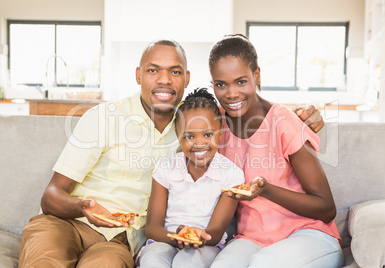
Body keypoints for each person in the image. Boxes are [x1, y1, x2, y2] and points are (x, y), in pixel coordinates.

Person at [18, 38, 325, 267]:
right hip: (68, 223)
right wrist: (83, 206)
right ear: (139, 75)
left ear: (187, 79)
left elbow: (243, 103)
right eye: (154, 70)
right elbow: (51, 197)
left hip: (119, 239)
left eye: (174, 72)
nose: (164, 80)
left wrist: (303, 115)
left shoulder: (198, 120)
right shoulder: (103, 117)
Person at [208, 34, 344, 267]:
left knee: (265, 263)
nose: (231, 94)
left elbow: (326, 208)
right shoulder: (215, 124)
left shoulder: (283, 121)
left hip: (309, 234)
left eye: (241, 81)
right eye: (221, 84)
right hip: (252, 238)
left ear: (256, 75)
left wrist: (266, 190)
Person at [139, 88, 244, 268]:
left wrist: (198, 237)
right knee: (153, 260)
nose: (199, 143)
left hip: (207, 244)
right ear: (179, 137)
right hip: (166, 241)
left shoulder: (231, 174)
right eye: (189, 136)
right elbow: (153, 229)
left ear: (220, 134)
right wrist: (178, 237)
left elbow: (216, 232)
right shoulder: (165, 167)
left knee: (186, 262)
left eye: (208, 135)